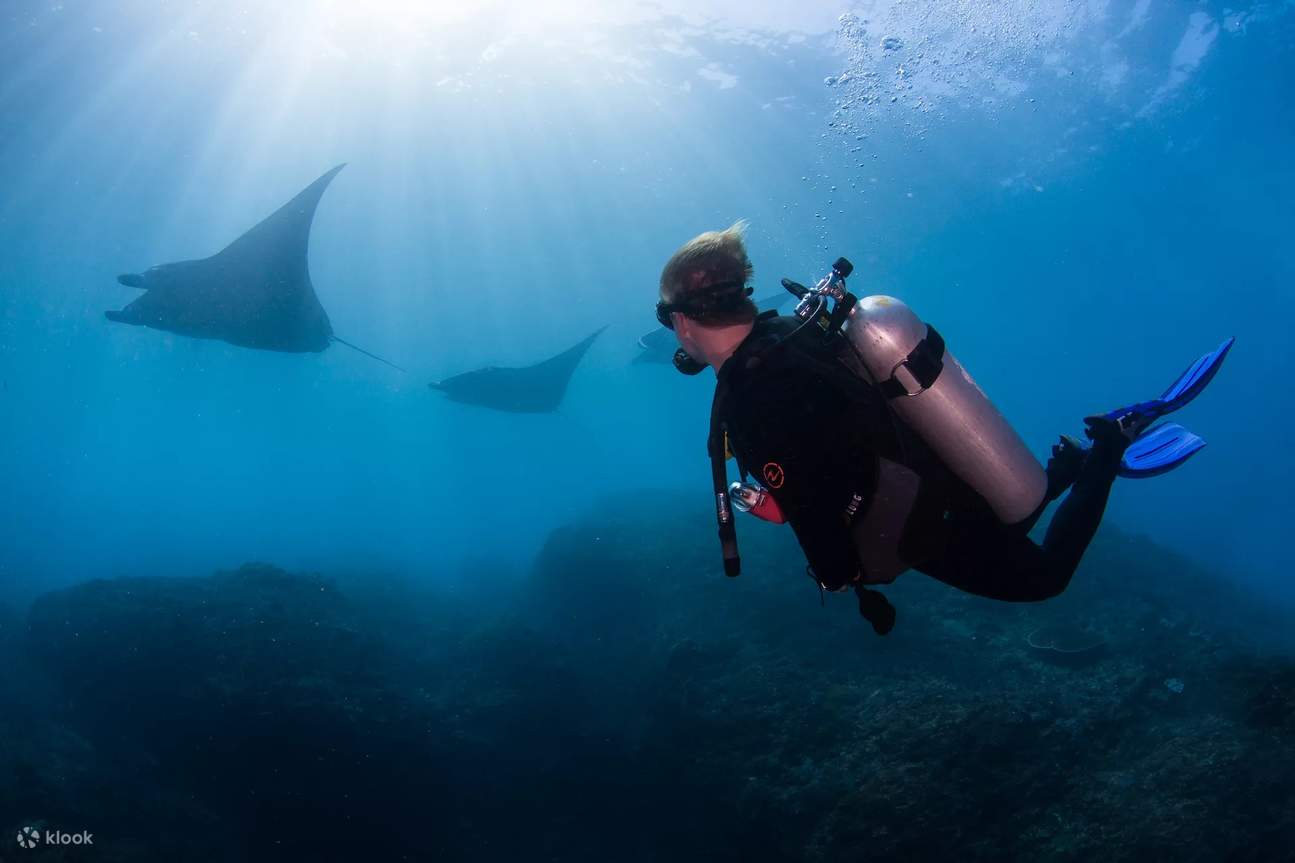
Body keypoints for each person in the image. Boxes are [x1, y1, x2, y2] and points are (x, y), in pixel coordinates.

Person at [656, 222, 1230, 634]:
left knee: (1045, 578)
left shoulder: (751, 395)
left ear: (682, 322)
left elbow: (811, 499)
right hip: (935, 467)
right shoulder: (789, 331)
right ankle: (1068, 467)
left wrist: (837, 575)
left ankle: (1107, 447)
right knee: (1011, 521)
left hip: (912, 520)